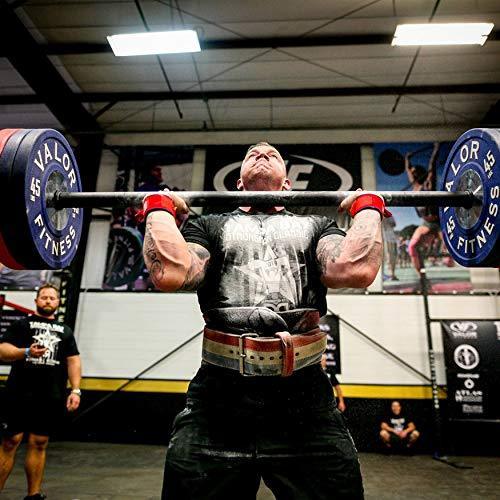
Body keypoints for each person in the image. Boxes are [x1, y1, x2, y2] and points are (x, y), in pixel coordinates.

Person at [142, 142, 387, 499]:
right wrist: (159, 210)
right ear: (239, 184)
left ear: (287, 184)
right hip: (219, 400)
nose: (261, 154)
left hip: (304, 401)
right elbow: (171, 273)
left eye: (272, 154)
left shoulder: (316, 225)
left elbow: (355, 269)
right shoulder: (208, 224)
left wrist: (368, 208)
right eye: (252, 154)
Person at [0, 284, 82, 500]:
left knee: (39, 442)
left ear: (58, 303)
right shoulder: (22, 326)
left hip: (49, 396)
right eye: (43, 297)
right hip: (18, 393)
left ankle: (33, 495)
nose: (48, 300)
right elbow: (2, 350)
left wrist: (76, 390)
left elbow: (73, 361)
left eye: (52, 298)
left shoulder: (65, 331)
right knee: (10, 441)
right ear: (36, 301)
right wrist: (25, 351)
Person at [405, 143, 445, 275]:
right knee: (412, 247)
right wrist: (407, 159)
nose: (413, 173)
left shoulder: (428, 185)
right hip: (426, 223)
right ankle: (422, 276)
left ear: (421, 174)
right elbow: (408, 169)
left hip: (440, 223)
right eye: (412, 172)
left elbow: (432, 168)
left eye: (416, 172)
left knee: (449, 254)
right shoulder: (415, 187)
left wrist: (436, 150)